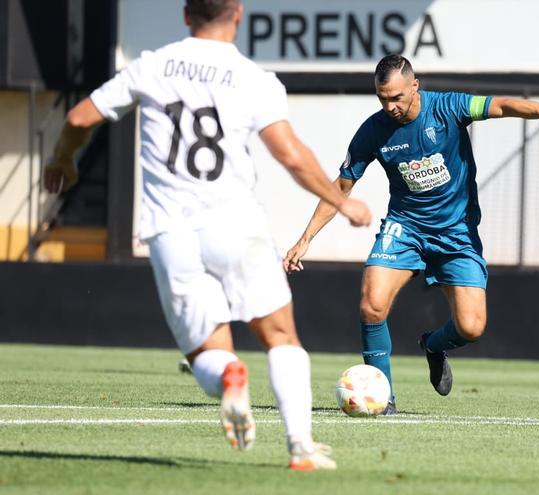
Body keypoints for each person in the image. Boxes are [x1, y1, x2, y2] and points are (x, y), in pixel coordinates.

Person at [43, 0, 372, 471]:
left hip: (171, 232)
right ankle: (301, 447)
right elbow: (291, 155)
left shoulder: (152, 66)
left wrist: (61, 161)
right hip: (235, 224)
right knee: (281, 337)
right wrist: (343, 203)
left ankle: (231, 375)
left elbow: (78, 119)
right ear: (237, 13)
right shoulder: (253, 79)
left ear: (185, 14)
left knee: (207, 353)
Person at [283, 54, 539, 413]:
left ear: (415, 86)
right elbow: (342, 187)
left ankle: (433, 344)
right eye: (383, 99)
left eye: (397, 97)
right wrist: (305, 239)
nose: (390, 106)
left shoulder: (450, 107)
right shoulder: (372, 131)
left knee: (471, 327)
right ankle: (383, 401)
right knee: (371, 304)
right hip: (405, 228)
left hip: (456, 234)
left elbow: (504, 106)